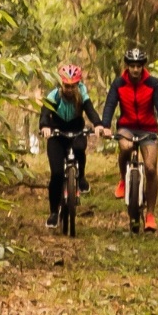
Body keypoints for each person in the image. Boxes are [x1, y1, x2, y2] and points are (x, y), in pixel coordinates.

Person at [100, 47, 158, 231]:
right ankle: (124, 180)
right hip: (127, 127)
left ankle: (150, 214)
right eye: (132, 65)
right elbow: (110, 104)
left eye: (138, 66)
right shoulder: (118, 83)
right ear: (127, 66)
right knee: (125, 147)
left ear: (143, 66)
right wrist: (105, 126)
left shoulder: (153, 83)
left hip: (148, 128)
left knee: (150, 168)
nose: (135, 69)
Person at [39, 63, 105, 228]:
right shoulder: (54, 95)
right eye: (66, 86)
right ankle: (54, 212)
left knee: (79, 148)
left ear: (78, 84)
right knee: (56, 174)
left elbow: (90, 110)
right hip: (57, 134)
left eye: (73, 86)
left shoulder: (82, 94)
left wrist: (97, 124)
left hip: (76, 130)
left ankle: (81, 177)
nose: (69, 89)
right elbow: (45, 114)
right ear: (62, 83)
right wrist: (45, 127)